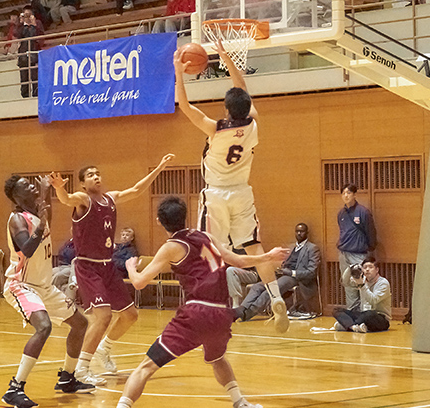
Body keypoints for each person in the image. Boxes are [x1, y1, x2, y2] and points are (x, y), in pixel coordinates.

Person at [116, 196, 289, 408]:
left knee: (146, 367)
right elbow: (238, 260)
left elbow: (140, 283)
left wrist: (131, 267)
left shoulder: (171, 247)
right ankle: (241, 403)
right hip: (222, 314)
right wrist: (267, 256)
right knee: (217, 358)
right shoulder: (206, 236)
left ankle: (122, 406)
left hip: (196, 313)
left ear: (159, 221)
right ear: (184, 216)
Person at [174, 39, 290, 333]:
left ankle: (208, 305)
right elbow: (244, 93)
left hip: (215, 194)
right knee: (254, 246)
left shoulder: (215, 129)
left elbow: (185, 106)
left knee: (209, 250)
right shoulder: (252, 124)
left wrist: (178, 71)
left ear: (225, 109)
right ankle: (276, 297)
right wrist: (226, 58)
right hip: (242, 192)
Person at [48, 153, 175, 385]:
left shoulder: (111, 198)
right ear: (83, 183)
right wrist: (59, 188)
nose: (95, 177)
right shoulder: (82, 199)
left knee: (130, 315)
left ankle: (104, 349)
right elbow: (66, 199)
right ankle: (81, 370)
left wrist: (159, 167)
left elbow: (137, 190)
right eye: (90, 175)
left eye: (97, 173)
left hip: (107, 266)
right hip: (88, 266)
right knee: (103, 316)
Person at [1, 175, 94, 407]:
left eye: (31, 182)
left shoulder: (38, 213)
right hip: (20, 284)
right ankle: (15, 388)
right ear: (15, 196)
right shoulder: (16, 219)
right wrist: (41, 222)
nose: (31, 185)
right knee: (44, 327)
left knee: (81, 324)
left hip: (44, 286)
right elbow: (28, 249)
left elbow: (45, 212)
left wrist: (46, 191)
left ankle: (67, 378)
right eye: (26, 186)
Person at [233, 223, 321, 322]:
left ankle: (249, 313)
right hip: (282, 274)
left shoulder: (312, 248)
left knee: (271, 289)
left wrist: (292, 273)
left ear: (307, 233)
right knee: (257, 287)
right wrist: (280, 268)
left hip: (296, 278)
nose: (299, 233)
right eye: (297, 231)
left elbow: (311, 272)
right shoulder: (291, 247)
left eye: (302, 231)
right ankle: (242, 309)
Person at [337, 183, 376, 310]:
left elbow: (371, 231)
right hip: (344, 254)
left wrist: (370, 249)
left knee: (363, 282)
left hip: (359, 254)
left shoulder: (363, 212)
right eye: (343, 193)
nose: (346, 196)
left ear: (354, 195)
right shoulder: (341, 214)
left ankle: (365, 314)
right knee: (348, 283)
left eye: (348, 193)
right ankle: (352, 313)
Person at [333, 256, 391, 333]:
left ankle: (346, 325)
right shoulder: (361, 279)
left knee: (369, 314)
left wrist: (362, 286)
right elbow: (345, 282)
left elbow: (373, 300)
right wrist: (350, 268)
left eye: (370, 267)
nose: (367, 269)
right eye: (365, 267)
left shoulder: (383, 283)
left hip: (380, 318)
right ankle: (353, 327)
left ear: (377, 269)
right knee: (336, 310)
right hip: (363, 314)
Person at [16, 6, 44, 98]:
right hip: (23, 54)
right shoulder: (20, 25)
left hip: (34, 53)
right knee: (24, 78)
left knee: (35, 77)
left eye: (29, 15)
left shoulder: (37, 23)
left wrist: (33, 24)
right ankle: (25, 96)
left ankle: (36, 95)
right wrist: (23, 23)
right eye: (25, 15)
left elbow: (37, 36)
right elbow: (19, 35)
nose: (27, 17)